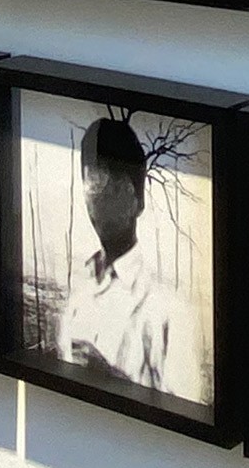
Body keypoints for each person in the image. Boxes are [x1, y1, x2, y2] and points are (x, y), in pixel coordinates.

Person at [55, 117, 199, 400]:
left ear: (138, 198)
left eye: (117, 182)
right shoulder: (77, 288)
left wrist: (111, 378)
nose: (100, 196)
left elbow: (190, 409)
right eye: (92, 179)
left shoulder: (168, 308)